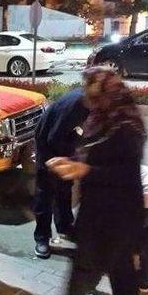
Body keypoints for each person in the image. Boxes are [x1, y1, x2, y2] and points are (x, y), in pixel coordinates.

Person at [48, 67, 146, 295]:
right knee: (114, 269)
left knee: (94, 267)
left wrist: (84, 169)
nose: (88, 101)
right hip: (99, 209)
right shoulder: (104, 118)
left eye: (93, 96)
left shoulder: (126, 128)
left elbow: (125, 176)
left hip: (117, 213)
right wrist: (71, 161)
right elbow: (94, 154)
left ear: (108, 95)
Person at [33, 88, 89, 258]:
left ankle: (65, 226)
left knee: (65, 187)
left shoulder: (93, 102)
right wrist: (73, 158)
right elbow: (54, 137)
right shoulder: (77, 105)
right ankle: (42, 238)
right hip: (48, 145)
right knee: (46, 194)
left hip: (64, 143)